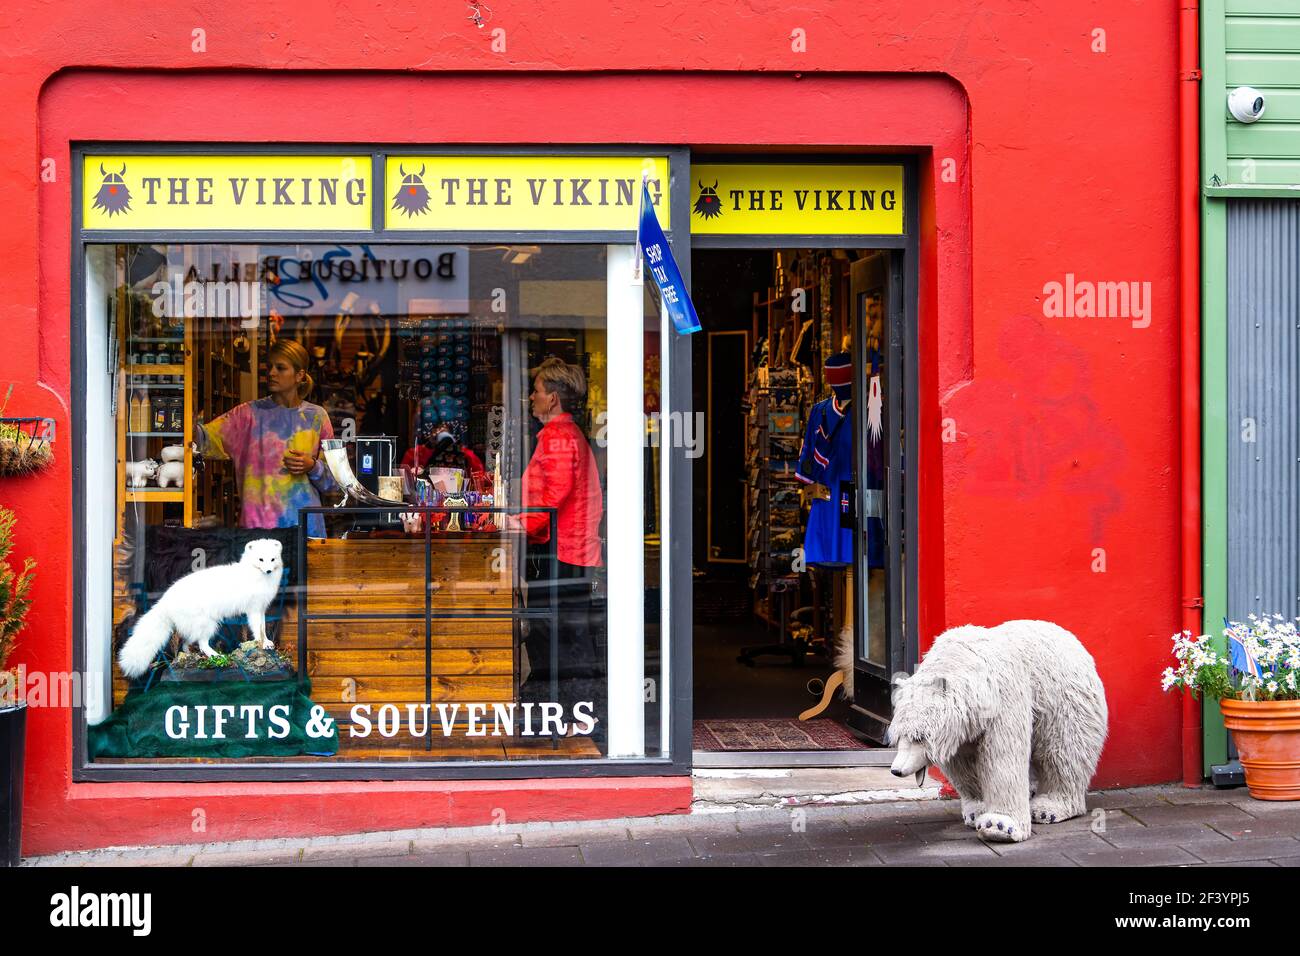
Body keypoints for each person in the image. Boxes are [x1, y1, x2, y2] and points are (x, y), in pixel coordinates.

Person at [504, 357, 605, 741]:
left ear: (554, 397)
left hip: (564, 549)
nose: (532, 396)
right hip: (567, 546)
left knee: (560, 632)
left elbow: (552, 495)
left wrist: (520, 524)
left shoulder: (559, 436)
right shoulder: (564, 433)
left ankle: (575, 713)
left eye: (538, 389)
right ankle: (569, 712)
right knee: (563, 631)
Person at [196, 338, 336, 539]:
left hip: (305, 530)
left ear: (299, 375)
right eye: (270, 367)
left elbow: (334, 482)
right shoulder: (247, 415)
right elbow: (202, 439)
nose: (271, 373)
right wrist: (184, 412)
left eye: (280, 368)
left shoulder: (317, 417)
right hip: (257, 532)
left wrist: (312, 466)